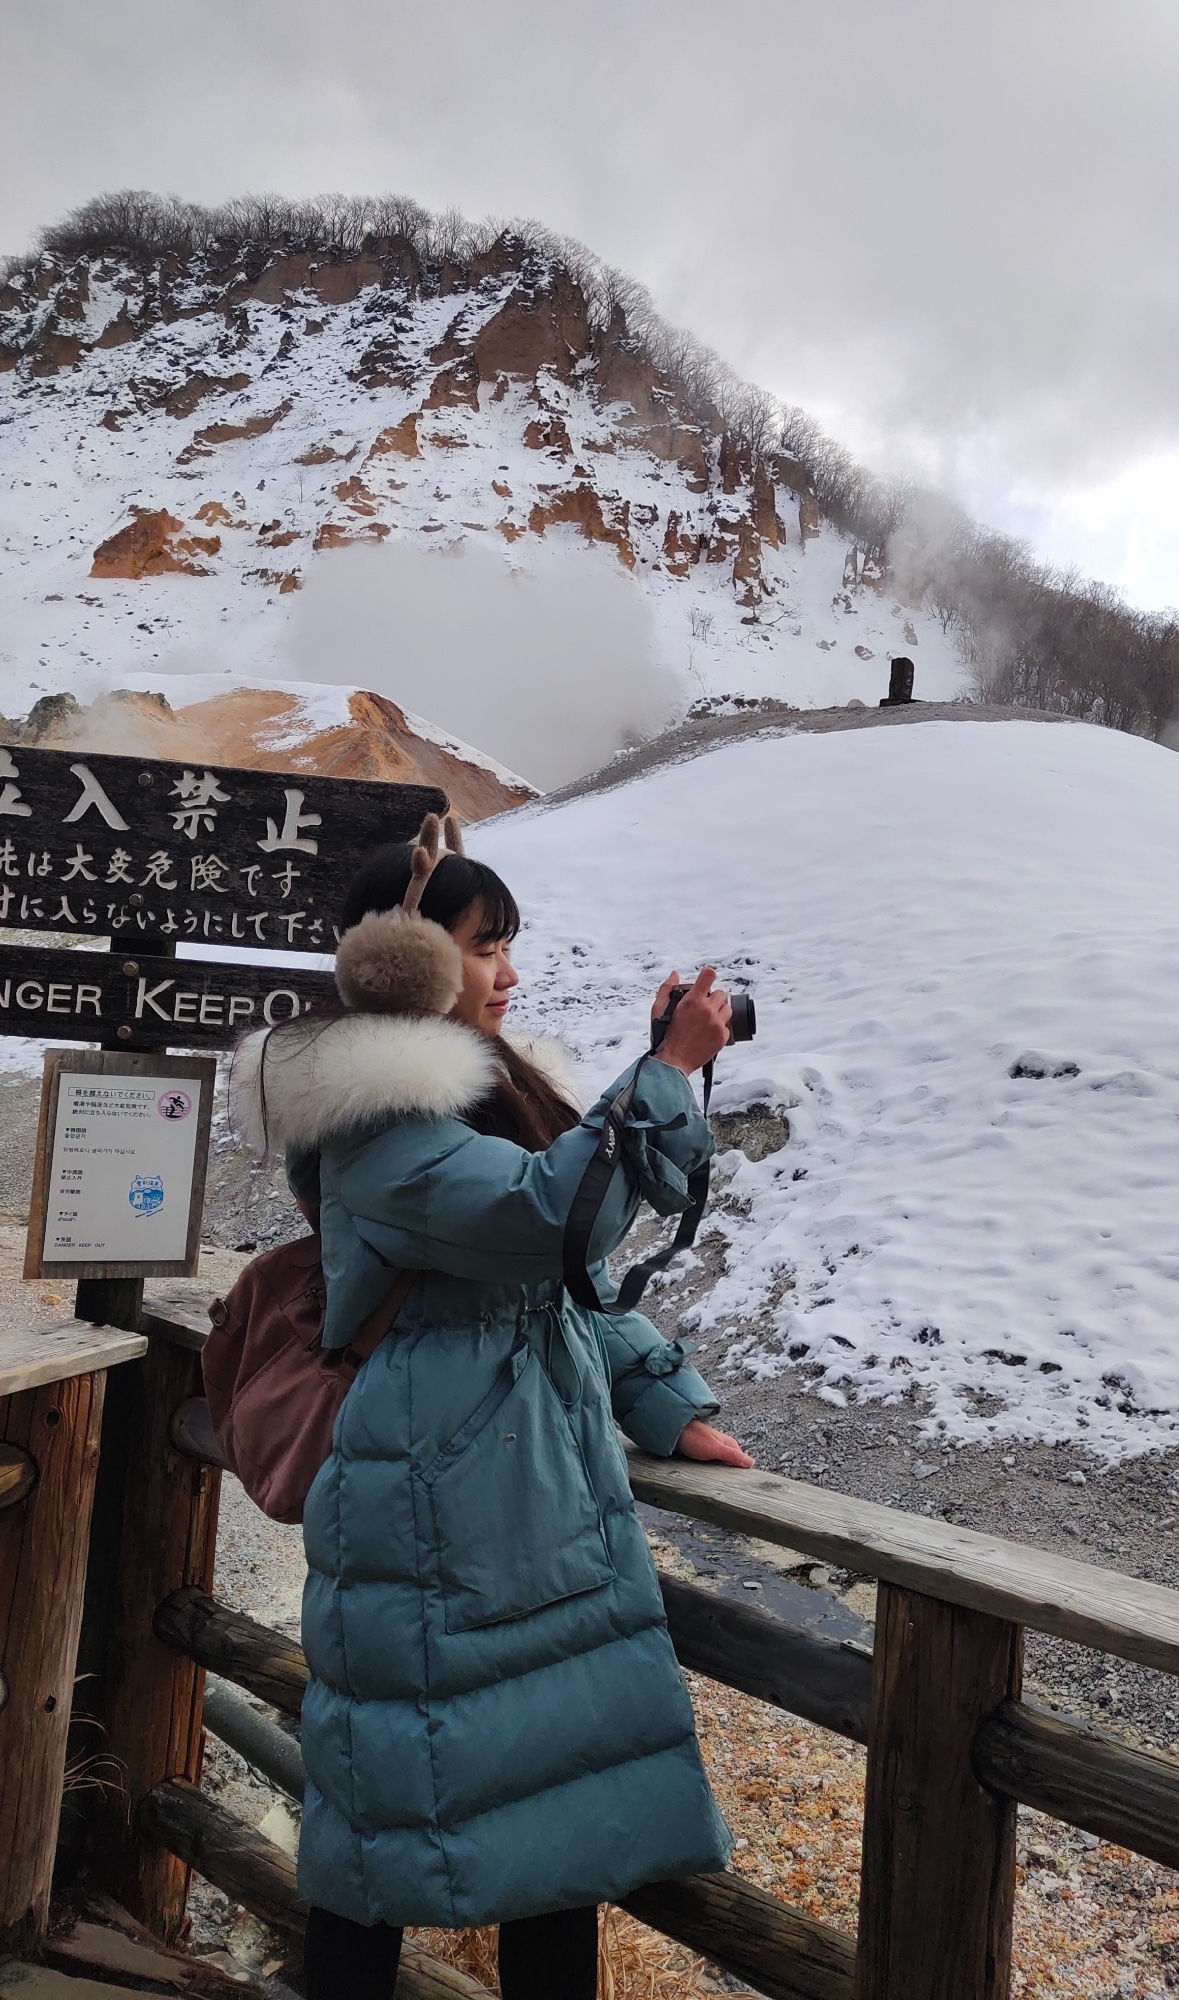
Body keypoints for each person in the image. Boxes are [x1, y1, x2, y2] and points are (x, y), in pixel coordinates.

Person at [230, 818, 753, 2000]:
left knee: (551, 1820)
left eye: (512, 944)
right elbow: (539, 1222)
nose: (509, 972)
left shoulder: (488, 1094)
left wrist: (663, 1403)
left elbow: (553, 1288)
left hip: (522, 1507)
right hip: (437, 1520)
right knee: (380, 1831)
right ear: (405, 960)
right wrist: (663, 1068)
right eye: (482, 945)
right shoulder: (377, 1124)